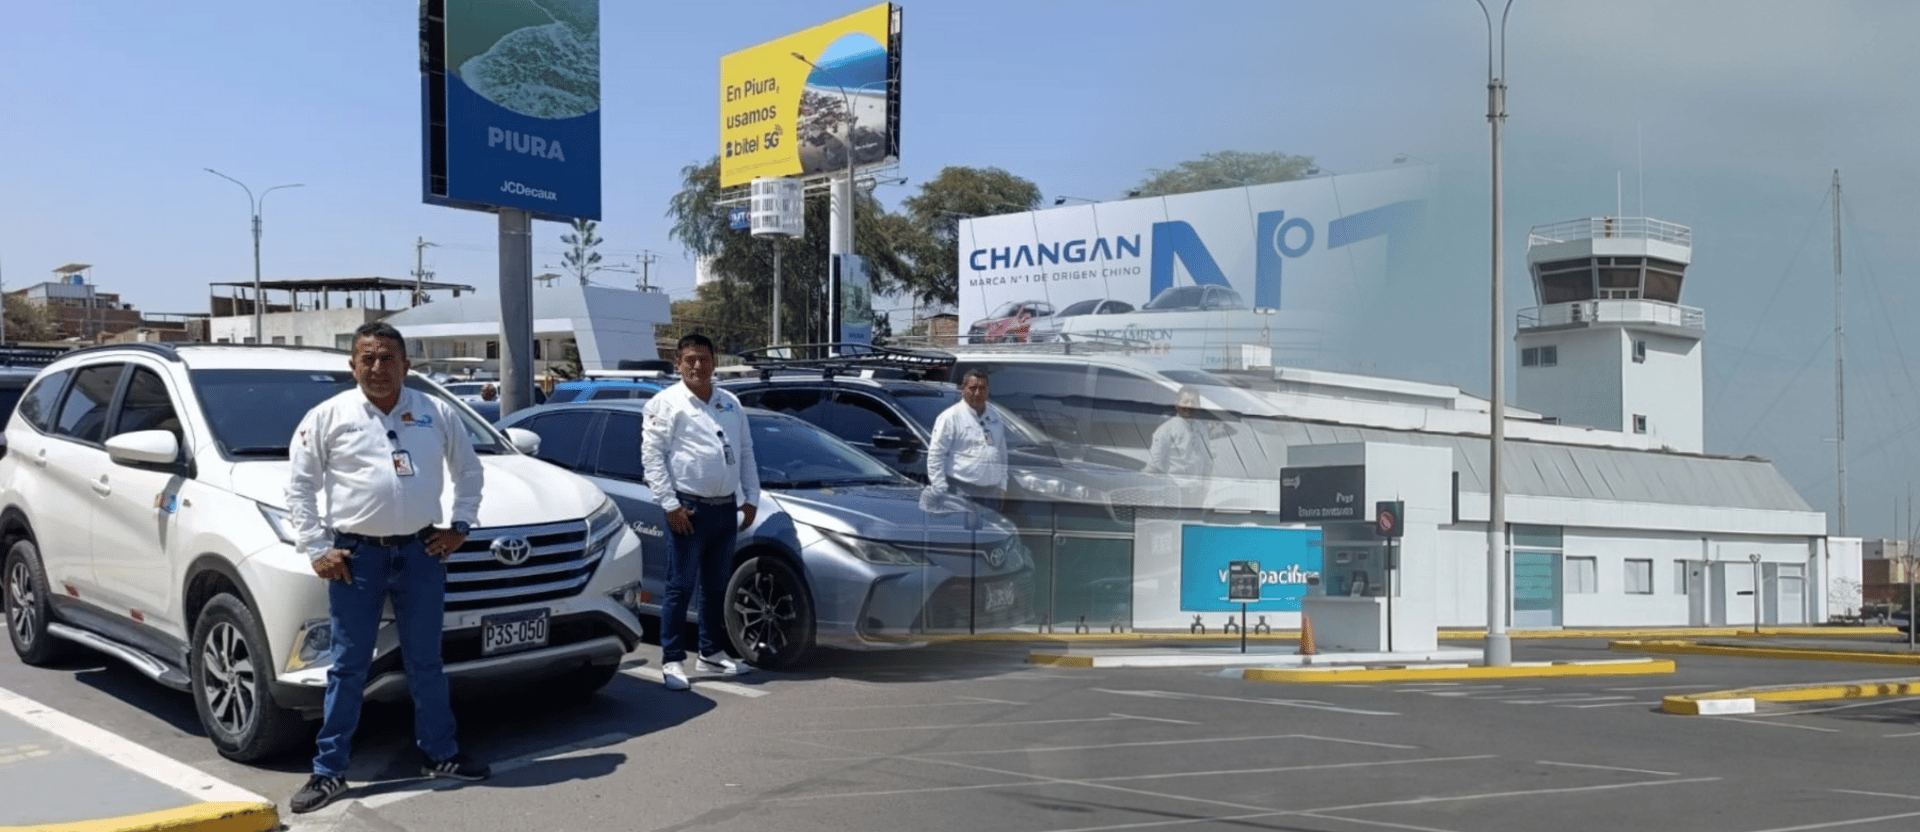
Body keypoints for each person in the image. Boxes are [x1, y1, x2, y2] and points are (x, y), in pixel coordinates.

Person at [284, 321, 488, 814]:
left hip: (421, 555)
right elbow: (299, 486)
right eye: (368, 358)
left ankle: (440, 753)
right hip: (357, 559)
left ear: (406, 365)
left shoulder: (435, 412)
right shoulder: (328, 416)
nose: (378, 368)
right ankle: (330, 771)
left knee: (426, 662)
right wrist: (316, 548)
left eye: (388, 358)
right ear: (353, 365)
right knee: (348, 666)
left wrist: (460, 526)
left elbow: (469, 470)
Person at [641, 333, 760, 690]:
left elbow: (746, 450)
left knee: (715, 586)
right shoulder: (665, 403)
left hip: (725, 509)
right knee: (679, 587)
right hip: (687, 509)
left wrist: (751, 497)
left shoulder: (730, 403)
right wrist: (670, 505)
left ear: (714, 362)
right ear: (678, 364)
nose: (697, 366)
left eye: (704, 359)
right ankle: (672, 659)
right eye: (690, 359)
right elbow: (652, 458)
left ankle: (710, 651)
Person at [927, 369, 1009, 513]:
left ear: (988, 390)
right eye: (973, 388)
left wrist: (1002, 485)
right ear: (963, 389)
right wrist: (940, 488)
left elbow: (1001, 452)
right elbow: (936, 455)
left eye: (982, 388)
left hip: (991, 494)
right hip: (961, 492)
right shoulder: (950, 417)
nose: (977, 393)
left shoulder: (995, 417)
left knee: (990, 528)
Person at [1144, 386, 1218, 509]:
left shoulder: (1201, 429)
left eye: (1193, 402)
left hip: (1198, 491)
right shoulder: (1166, 430)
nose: (1189, 406)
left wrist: (1205, 485)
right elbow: (1155, 463)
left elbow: (1206, 459)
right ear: (1177, 404)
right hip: (1175, 491)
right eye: (1185, 402)